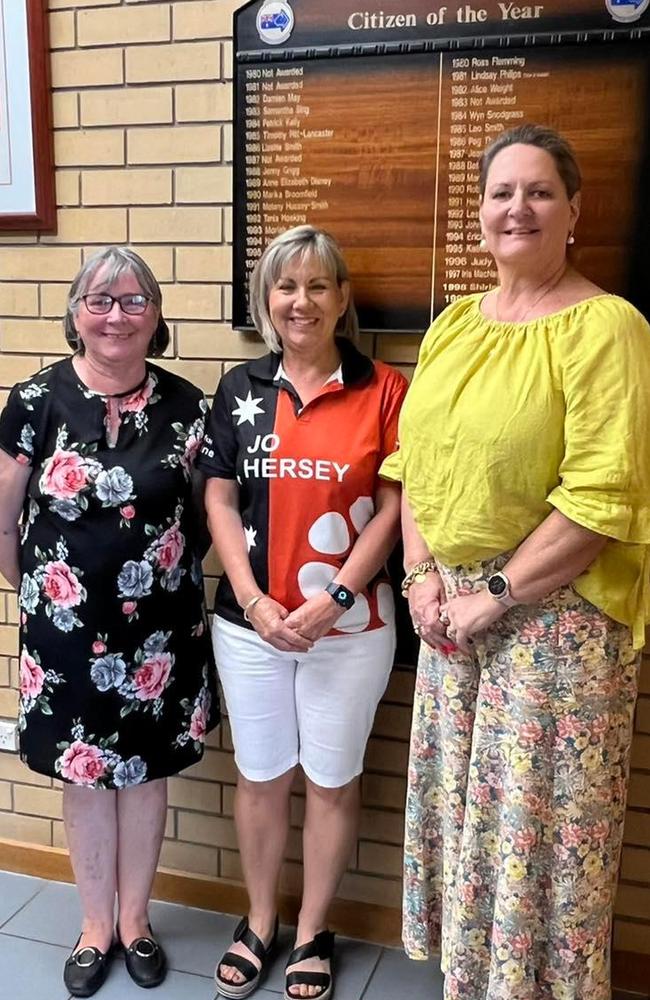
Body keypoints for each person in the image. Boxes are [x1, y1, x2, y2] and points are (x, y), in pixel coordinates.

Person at [380, 123, 650, 1000]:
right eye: (502, 192)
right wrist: (422, 576)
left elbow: (602, 502)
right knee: (471, 830)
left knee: (539, 845)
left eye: (539, 192)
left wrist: (492, 594)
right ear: (481, 212)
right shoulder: (457, 322)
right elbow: (414, 461)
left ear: (575, 211)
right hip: (452, 620)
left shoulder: (608, 328)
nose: (518, 208)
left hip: (555, 628)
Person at [0, 247, 219, 996]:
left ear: (156, 316)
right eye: (98, 299)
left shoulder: (190, 406)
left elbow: (209, 516)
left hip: (161, 634)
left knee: (147, 777)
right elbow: (3, 523)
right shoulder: (34, 402)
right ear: (74, 314)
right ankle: (95, 927)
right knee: (87, 778)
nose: (115, 314)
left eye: (132, 300)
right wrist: (47, 600)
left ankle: (137, 922)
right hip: (64, 638)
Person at [198, 225, 407, 1000]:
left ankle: (314, 928)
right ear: (266, 299)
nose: (302, 301)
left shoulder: (383, 389)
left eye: (319, 286)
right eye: (287, 286)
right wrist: (252, 598)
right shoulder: (239, 389)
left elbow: (395, 504)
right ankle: (259, 920)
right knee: (260, 779)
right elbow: (217, 494)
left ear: (343, 299)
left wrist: (339, 596)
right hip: (249, 625)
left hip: (350, 630)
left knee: (330, 781)